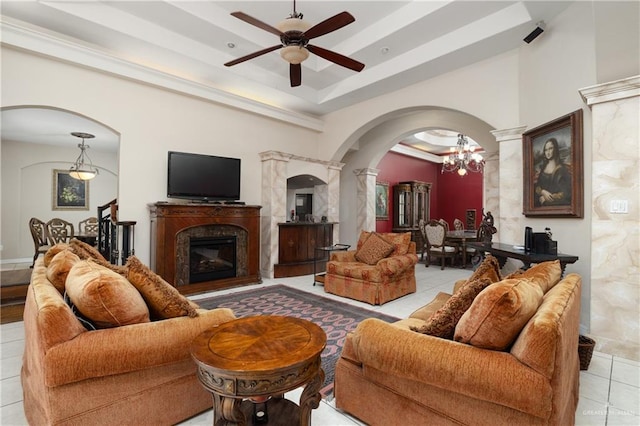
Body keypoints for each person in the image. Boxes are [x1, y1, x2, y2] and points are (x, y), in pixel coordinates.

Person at [534, 138, 571, 206]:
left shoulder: (561, 169)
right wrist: (542, 192)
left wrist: (548, 197)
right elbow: (537, 187)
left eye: (550, 148)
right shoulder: (543, 168)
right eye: (546, 150)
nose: (548, 152)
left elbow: (566, 193)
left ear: (555, 149)